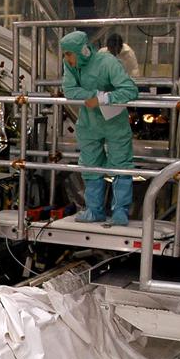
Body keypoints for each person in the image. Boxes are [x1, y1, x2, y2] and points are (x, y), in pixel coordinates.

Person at [60, 30, 139, 225]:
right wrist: (93, 95)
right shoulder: (70, 65)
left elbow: (130, 90)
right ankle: (94, 210)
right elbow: (69, 90)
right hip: (89, 122)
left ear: (83, 51)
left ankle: (120, 212)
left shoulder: (107, 62)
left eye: (69, 54)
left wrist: (104, 99)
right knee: (90, 164)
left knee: (121, 164)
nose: (67, 58)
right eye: (65, 54)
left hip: (114, 121)